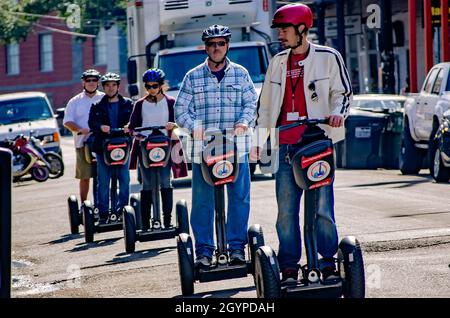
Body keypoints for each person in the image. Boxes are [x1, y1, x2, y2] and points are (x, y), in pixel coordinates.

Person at [250, 4, 353, 284]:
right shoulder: (277, 62)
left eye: (284, 30)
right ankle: (289, 267)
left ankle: (327, 261)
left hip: (317, 144)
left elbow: (342, 93)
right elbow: (265, 107)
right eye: (279, 30)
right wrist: (258, 142)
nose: (280, 35)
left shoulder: (328, 57)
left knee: (322, 209)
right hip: (285, 146)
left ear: (302, 30)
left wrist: (337, 113)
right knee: (286, 212)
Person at [175, 24, 258, 268]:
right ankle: (203, 250)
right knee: (202, 200)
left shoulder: (241, 74)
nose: (216, 48)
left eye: (221, 43)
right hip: (205, 150)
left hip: (236, 147)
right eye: (212, 44)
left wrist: (244, 122)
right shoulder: (193, 76)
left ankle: (236, 248)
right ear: (206, 47)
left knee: (239, 199)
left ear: (227, 45)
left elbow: (251, 104)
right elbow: (180, 110)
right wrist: (193, 126)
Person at [128, 68, 188, 230]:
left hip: (165, 147)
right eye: (148, 86)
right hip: (146, 147)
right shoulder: (140, 104)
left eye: (154, 86)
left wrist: (173, 125)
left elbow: (180, 123)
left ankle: (167, 221)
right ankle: (146, 223)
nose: (151, 89)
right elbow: (132, 127)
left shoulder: (170, 103)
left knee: (164, 181)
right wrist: (134, 132)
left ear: (161, 85)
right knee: (147, 184)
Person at [88, 72, 133, 223]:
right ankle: (103, 213)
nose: (111, 88)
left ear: (118, 86)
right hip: (103, 148)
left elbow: (135, 121)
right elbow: (91, 124)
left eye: (113, 85)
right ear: (104, 87)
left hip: (123, 148)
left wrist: (129, 127)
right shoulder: (97, 106)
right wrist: (101, 127)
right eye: (107, 85)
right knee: (103, 181)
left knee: (124, 180)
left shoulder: (128, 104)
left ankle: (123, 211)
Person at [63, 69, 104, 205]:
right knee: (85, 177)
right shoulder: (75, 101)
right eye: (88, 80)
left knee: (104, 176)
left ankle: (103, 205)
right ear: (83, 82)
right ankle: (84, 206)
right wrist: (80, 130)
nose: (91, 83)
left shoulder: (104, 98)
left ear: (98, 82)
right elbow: (67, 121)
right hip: (83, 144)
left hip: (103, 143)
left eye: (94, 80)